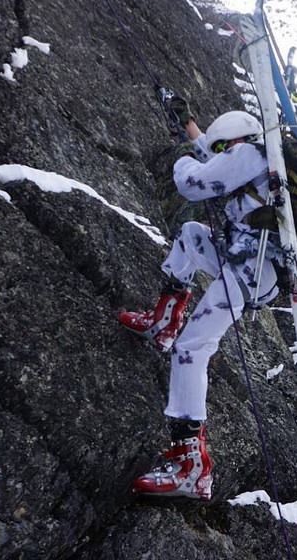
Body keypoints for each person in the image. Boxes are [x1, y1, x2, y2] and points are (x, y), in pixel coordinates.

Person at [118, 103, 280, 500]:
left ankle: (192, 466)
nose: (222, 153)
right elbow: (215, 160)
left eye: (226, 146)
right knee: (192, 234)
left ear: (237, 141)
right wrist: (191, 128)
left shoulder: (247, 155)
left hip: (249, 269)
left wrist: (183, 161)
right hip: (251, 262)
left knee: (192, 349)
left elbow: (194, 182)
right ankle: (163, 321)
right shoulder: (258, 160)